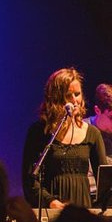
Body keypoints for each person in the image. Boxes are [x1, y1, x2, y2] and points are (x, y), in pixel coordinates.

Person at [21, 67, 103, 210]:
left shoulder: (92, 133)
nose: (74, 100)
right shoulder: (39, 132)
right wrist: (50, 201)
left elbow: (105, 180)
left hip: (82, 209)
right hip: (51, 210)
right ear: (56, 98)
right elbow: (29, 179)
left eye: (77, 94)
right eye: (68, 95)